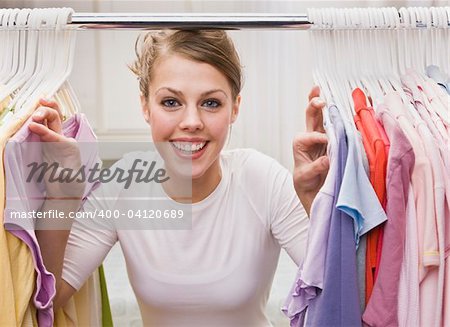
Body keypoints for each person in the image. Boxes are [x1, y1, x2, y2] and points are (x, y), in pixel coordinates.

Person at [32, 30, 329, 326]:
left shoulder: (263, 180)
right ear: (145, 106)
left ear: (235, 108)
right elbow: (50, 297)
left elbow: (334, 289)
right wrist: (62, 196)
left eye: (211, 103)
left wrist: (315, 203)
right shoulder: (123, 186)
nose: (191, 122)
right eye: (171, 102)